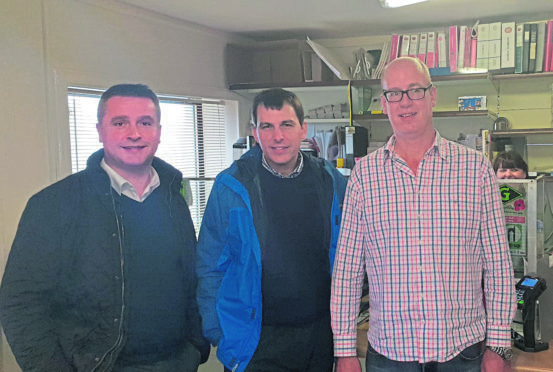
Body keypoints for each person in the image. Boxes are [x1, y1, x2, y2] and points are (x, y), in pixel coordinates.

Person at [0, 84, 210, 372]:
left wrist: (196, 346)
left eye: (145, 123)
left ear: (159, 131)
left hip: (178, 361)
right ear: (100, 131)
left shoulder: (174, 196)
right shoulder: (54, 204)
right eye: (120, 122)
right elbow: (21, 303)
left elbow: (190, 279)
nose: (134, 133)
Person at [331, 57, 516, 372]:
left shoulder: (475, 169)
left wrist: (498, 344)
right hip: (390, 354)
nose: (405, 102)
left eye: (414, 90)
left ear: (432, 96)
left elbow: (497, 264)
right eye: (394, 93)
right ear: (384, 103)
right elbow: (348, 271)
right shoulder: (365, 176)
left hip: (461, 353)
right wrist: (345, 351)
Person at [196, 88, 347, 372]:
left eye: (286, 125)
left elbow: (348, 251)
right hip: (256, 341)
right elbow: (210, 264)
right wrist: (218, 332)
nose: (278, 137)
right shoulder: (231, 186)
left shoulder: (329, 180)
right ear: (256, 132)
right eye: (267, 126)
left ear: (303, 129)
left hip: (318, 337)